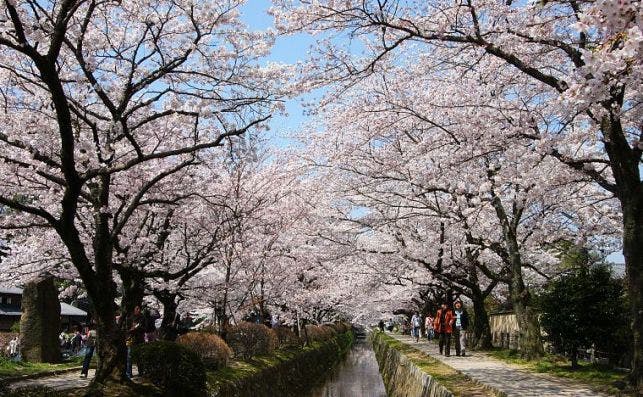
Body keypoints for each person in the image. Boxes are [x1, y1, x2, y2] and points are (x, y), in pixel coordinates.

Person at [125, 305, 145, 379]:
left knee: (140, 356)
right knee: (129, 356)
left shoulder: (143, 318)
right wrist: (131, 329)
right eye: (136, 309)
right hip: (131, 339)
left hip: (140, 339)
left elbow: (144, 328)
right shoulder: (129, 318)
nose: (138, 310)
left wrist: (137, 328)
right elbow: (126, 329)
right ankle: (129, 373)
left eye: (139, 309)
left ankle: (141, 372)